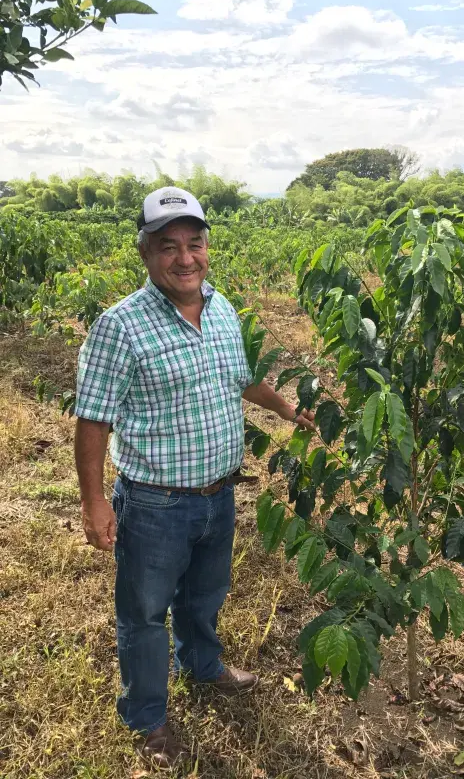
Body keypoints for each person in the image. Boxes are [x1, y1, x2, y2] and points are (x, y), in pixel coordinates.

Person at [74, 187, 315, 769]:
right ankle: (147, 716)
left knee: (205, 595)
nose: (185, 258)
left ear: (207, 248)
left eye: (194, 243)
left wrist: (287, 410)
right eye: (168, 246)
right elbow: (93, 419)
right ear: (145, 253)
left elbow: (241, 378)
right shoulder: (120, 326)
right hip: (154, 502)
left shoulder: (223, 307)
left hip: (219, 492)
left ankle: (203, 665)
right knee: (144, 615)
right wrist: (94, 502)